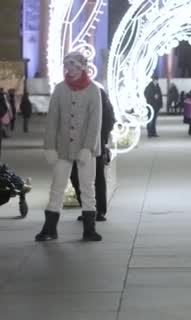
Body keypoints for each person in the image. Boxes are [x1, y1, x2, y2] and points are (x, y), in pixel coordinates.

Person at [36, 51, 103, 242]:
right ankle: (49, 228)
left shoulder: (93, 90)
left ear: (82, 67)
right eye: (67, 65)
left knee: (87, 187)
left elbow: (95, 122)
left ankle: (89, 229)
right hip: (62, 147)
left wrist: (88, 147)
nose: (69, 69)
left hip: (85, 149)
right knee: (57, 187)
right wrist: (49, 146)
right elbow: (52, 120)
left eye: (73, 65)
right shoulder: (60, 89)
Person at [71, 86, 116, 222]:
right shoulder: (68, 92)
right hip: (74, 144)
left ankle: (99, 210)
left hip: (94, 143)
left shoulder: (97, 92)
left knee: (96, 177)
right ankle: (87, 209)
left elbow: (109, 118)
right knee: (75, 177)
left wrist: (100, 138)